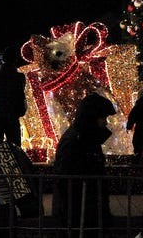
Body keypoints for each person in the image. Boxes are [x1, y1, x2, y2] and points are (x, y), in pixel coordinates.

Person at [53, 93, 116, 237]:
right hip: (79, 211)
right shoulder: (76, 140)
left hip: (88, 209)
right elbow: (67, 178)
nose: (105, 122)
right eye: (103, 118)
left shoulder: (86, 138)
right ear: (92, 117)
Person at [0, 46, 27, 147]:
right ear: (15, 60)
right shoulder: (20, 77)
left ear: (2, 59)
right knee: (15, 145)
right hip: (13, 114)